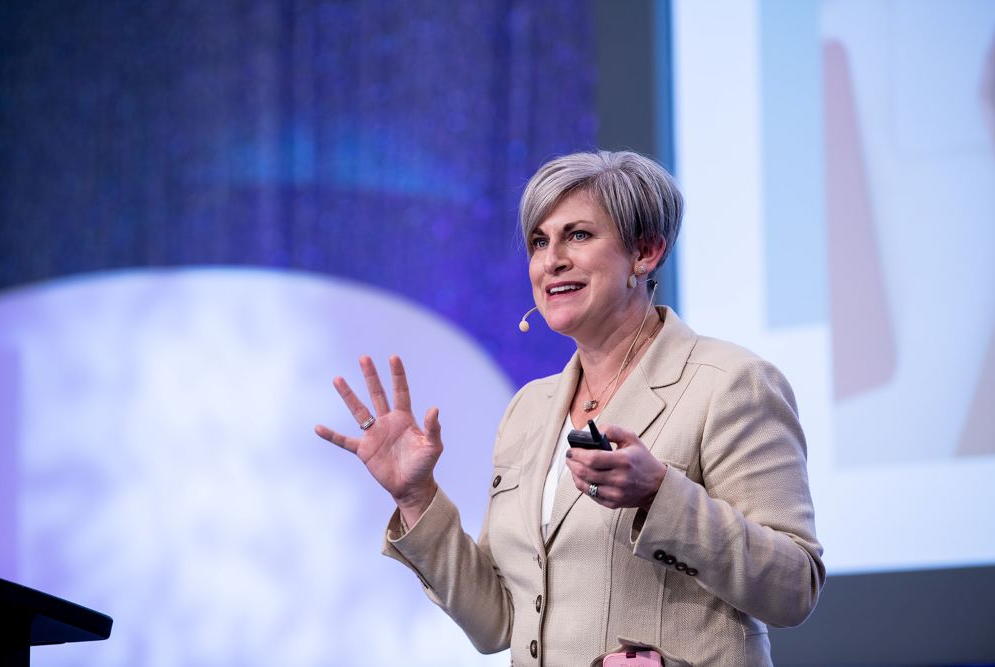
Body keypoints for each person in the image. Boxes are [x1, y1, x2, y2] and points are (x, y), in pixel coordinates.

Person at [315, 150, 825, 666]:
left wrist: (660, 494)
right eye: (540, 241)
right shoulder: (530, 409)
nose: (551, 260)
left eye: (578, 235)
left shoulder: (730, 383)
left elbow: (793, 587)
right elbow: (497, 621)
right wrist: (417, 496)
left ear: (645, 253)